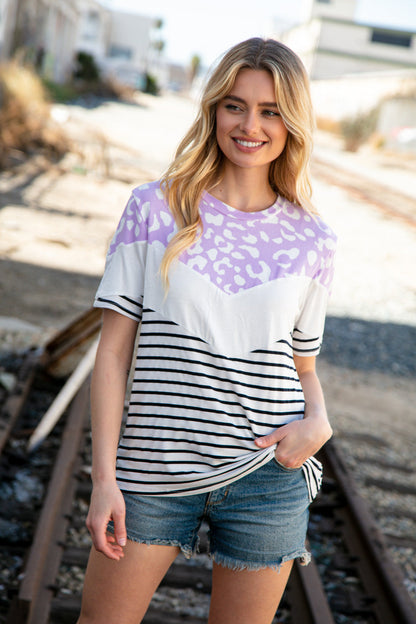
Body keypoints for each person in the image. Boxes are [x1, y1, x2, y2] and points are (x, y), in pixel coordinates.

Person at [77, 37, 337, 624]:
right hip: (151, 469)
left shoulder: (313, 240)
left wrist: (318, 420)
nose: (250, 125)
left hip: (266, 479)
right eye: (235, 106)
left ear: (292, 123)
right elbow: (113, 353)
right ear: (214, 110)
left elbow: (303, 367)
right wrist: (104, 479)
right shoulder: (154, 208)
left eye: (271, 111)